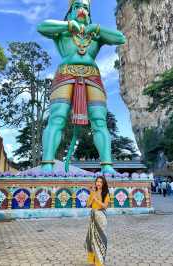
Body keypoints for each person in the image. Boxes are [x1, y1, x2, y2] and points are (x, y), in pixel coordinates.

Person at [37, 0, 126, 174]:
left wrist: (96, 29)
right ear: (70, 12)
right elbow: (42, 27)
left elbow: (120, 38)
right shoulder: (63, 32)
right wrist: (69, 25)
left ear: (90, 14)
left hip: (92, 76)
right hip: (65, 73)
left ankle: (107, 166)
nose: (82, 10)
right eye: (77, 6)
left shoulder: (95, 36)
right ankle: (46, 163)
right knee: (57, 117)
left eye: (86, 8)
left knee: (99, 121)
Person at [85, 176, 110, 266]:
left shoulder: (105, 193)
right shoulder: (93, 193)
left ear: (103, 184)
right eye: (97, 182)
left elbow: (105, 206)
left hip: (101, 217)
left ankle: (99, 262)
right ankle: (93, 260)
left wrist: (96, 200)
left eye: (100, 182)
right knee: (91, 238)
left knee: (101, 239)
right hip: (93, 217)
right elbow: (88, 205)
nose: (98, 183)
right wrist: (92, 195)